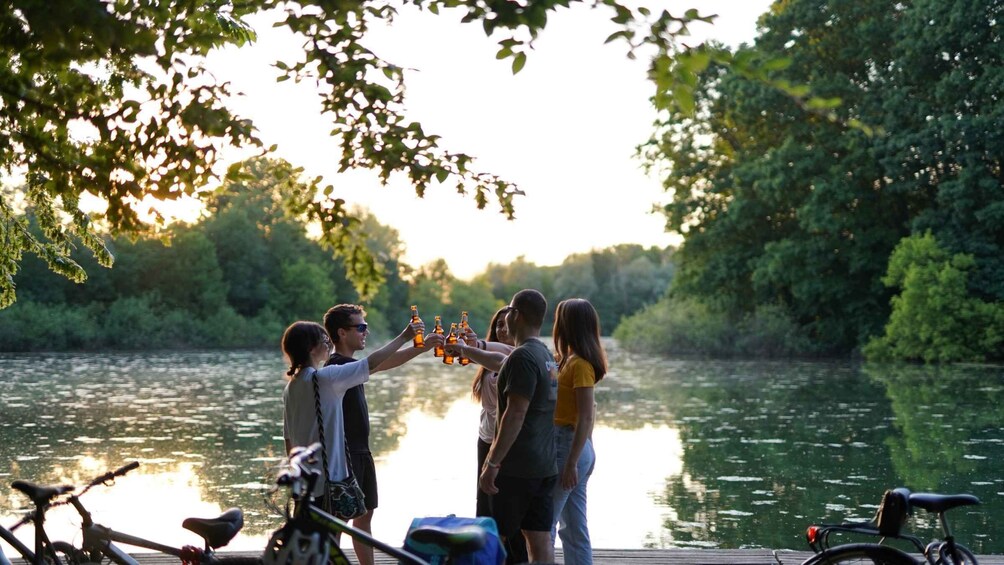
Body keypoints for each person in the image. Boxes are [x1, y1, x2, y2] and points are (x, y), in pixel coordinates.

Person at [322, 304, 444, 565]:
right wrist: (405, 336)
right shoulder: (335, 366)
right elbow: (375, 362)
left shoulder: (350, 365)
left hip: (361, 451)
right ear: (342, 333)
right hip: (345, 454)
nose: (366, 332)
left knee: (364, 516)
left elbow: (383, 364)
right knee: (337, 521)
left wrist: (423, 347)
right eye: (361, 327)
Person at [280, 318, 421, 516]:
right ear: (312, 348)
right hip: (329, 482)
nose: (329, 344)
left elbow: (288, 439)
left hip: (304, 482)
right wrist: (405, 336)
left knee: (310, 540)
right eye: (325, 340)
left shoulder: (291, 387)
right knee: (329, 538)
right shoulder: (326, 378)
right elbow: (371, 363)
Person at [478, 289, 558, 564]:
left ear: (517, 315)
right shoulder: (546, 355)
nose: (507, 316)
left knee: (495, 538)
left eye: (509, 311)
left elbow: (515, 414)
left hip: (517, 467)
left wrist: (492, 462)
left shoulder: (521, 358)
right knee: (539, 539)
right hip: (545, 464)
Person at [447, 309, 527, 563]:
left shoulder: (522, 356)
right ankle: (486, 556)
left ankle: (515, 557)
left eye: (507, 326)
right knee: (485, 503)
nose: (503, 330)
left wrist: (474, 345)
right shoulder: (486, 359)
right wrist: (466, 347)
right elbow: (485, 356)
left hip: (508, 441)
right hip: (485, 437)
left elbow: (501, 355)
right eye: (498, 326)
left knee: (509, 506)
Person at [549, 298, 606, 565]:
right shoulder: (567, 360)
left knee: (543, 525)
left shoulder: (581, 364)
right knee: (573, 528)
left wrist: (574, 461)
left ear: (568, 324)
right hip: (574, 448)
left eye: (560, 318)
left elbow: (586, 415)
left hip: (568, 448)